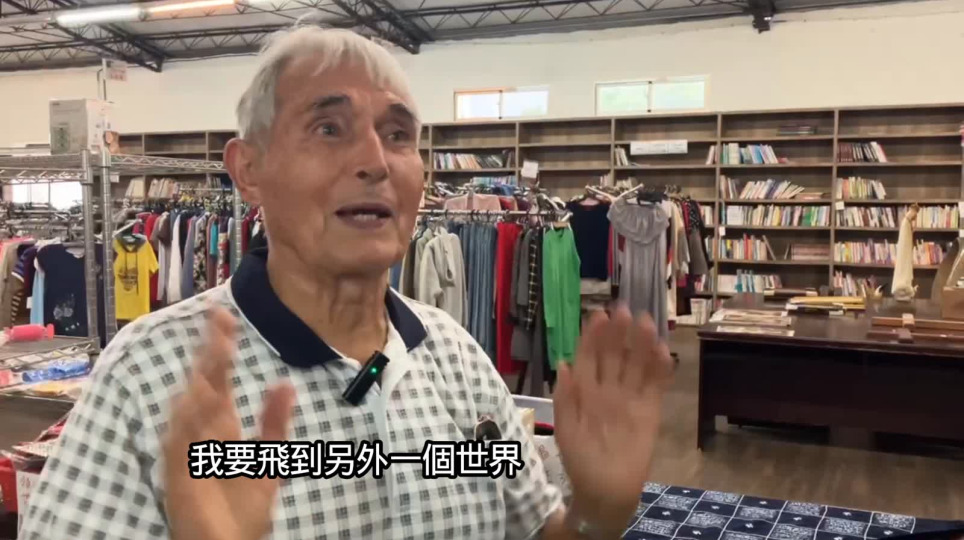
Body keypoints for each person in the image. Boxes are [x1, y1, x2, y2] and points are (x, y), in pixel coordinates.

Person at [19, 26, 673, 540]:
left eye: (398, 135)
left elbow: (533, 532)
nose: (374, 161)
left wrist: (597, 513)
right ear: (249, 170)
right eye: (329, 128)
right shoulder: (149, 377)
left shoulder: (457, 361)